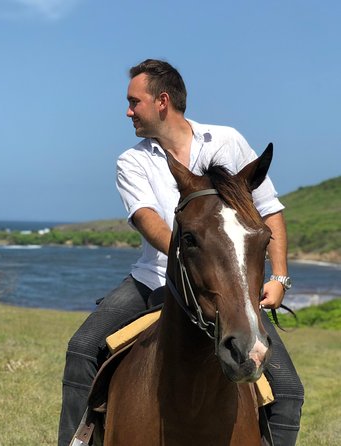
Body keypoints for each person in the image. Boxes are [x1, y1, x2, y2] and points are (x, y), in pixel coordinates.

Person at [58, 59, 304, 446]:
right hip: (154, 281)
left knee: (288, 391)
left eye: (133, 102)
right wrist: (191, 250)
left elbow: (269, 209)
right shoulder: (132, 161)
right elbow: (146, 219)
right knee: (82, 349)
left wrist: (279, 277)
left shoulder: (228, 141)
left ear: (162, 101)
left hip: (226, 283)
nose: (127, 111)